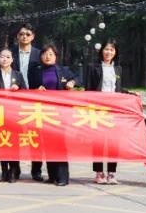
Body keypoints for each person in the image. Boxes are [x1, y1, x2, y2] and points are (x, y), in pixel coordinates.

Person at [28, 42, 81, 186]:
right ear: (41, 56)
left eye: (51, 54)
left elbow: (78, 78)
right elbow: (29, 88)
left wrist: (72, 82)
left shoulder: (63, 70)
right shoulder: (35, 71)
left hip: (59, 113)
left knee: (60, 144)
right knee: (47, 144)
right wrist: (36, 89)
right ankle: (52, 176)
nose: (47, 56)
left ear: (56, 56)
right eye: (45, 54)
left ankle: (63, 177)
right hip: (43, 112)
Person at [87, 40, 124, 185]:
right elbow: (89, 89)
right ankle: (99, 172)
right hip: (98, 109)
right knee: (98, 142)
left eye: (112, 50)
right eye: (106, 49)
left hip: (114, 110)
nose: (109, 52)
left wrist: (131, 94)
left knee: (113, 142)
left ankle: (111, 172)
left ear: (115, 53)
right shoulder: (93, 67)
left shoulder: (118, 69)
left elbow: (119, 88)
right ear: (101, 51)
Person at [9, 23, 41, 181]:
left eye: (28, 34)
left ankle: (36, 170)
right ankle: (15, 170)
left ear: (33, 37)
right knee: (13, 135)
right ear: (17, 36)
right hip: (14, 99)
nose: (24, 37)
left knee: (36, 136)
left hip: (35, 100)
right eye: (21, 34)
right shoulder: (10, 53)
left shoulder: (39, 54)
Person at [0, 49, 27, 183]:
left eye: (8, 57)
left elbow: (26, 92)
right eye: (2, 57)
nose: (5, 59)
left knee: (14, 144)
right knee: (1, 143)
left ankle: (14, 170)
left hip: (14, 115)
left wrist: (18, 89)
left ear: (12, 59)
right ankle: (4, 171)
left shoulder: (18, 75)